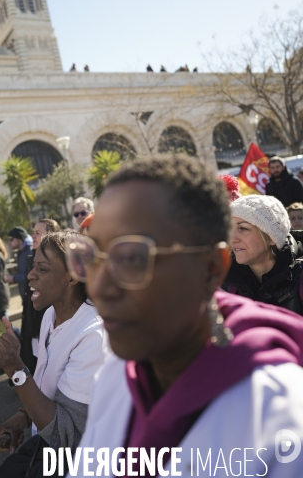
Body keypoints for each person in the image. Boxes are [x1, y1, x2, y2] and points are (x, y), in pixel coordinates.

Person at [64, 155, 303, 476]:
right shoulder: (116, 377)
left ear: (210, 268)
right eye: (90, 257)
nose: (100, 287)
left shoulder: (276, 414)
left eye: (133, 257)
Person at [0, 232, 107, 478]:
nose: (31, 275)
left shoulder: (93, 334)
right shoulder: (49, 316)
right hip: (44, 446)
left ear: (72, 276)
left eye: (42, 269)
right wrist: (23, 417)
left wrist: (14, 367)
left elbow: (66, 434)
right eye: (32, 267)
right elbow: (50, 390)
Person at [223, 194, 303, 315]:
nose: (232, 239)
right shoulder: (226, 282)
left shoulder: (299, 278)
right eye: (230, 228)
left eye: (243, 228)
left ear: (271, 238)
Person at [20, 218, 60, 374]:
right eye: (33, 233)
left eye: (38, 233)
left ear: (51, 235)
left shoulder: (57, 263)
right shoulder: (31, 258)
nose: (33, 237)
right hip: (35, 323)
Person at [5, 227, 33, 301]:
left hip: (32, 295)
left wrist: (13, 278)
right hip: (26, 296)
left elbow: (32, 275)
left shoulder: (30, 251)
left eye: (11, 239)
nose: (9, 242)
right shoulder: (20, 252)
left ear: (19, 239)